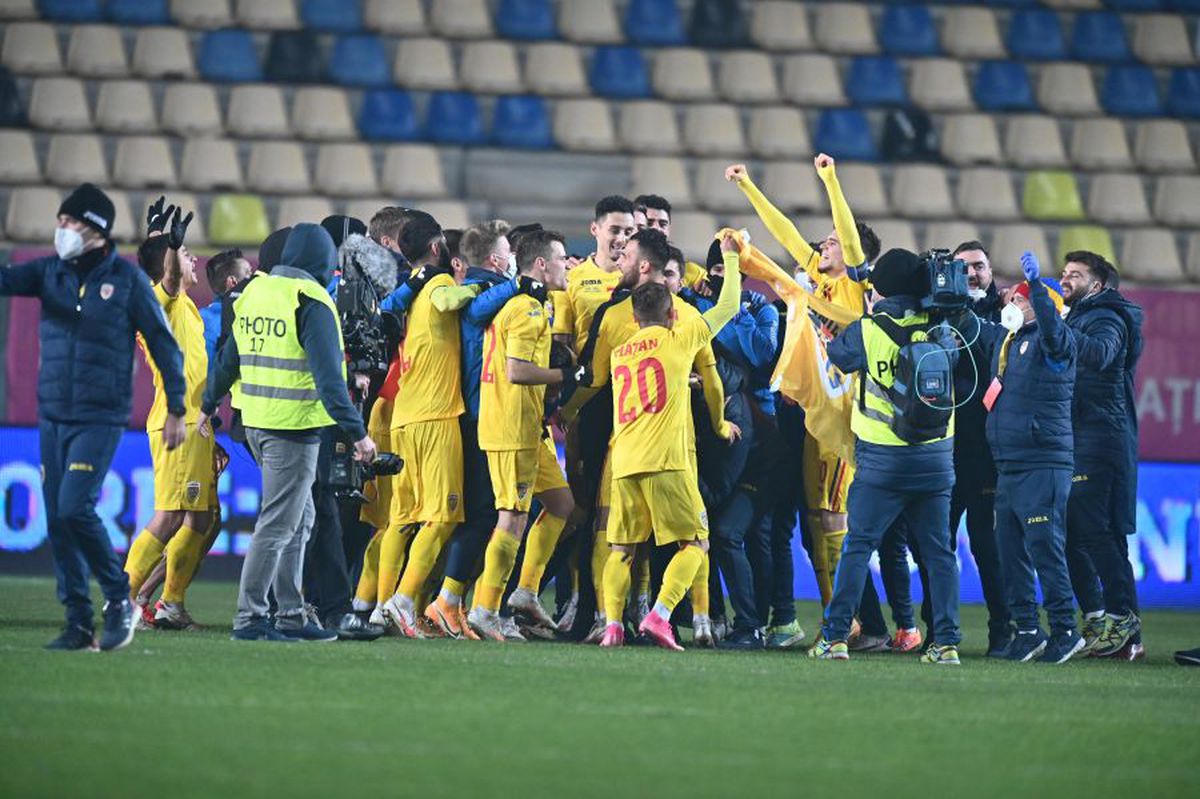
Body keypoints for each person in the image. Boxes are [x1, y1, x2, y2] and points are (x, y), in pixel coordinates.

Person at [0, 183, 186, 651]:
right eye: (60, 223)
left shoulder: (126, 283)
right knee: (59, 520)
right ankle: (78, 622)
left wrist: (178, 409)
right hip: (53, 413)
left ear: (97, 231)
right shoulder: (49, 273)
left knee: (73, 507)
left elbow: (165, 346)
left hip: (99, 416)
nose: (61, 231)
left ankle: (119, 598)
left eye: (70, 223)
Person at [725, 156, 882, 639]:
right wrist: (748, 185)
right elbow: (787, 233)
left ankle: (854, 622)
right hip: (815, 414)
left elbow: (849, 236)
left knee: (831, 518)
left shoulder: (855, 286)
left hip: (844, 414)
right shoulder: (815, 281)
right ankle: (846, 621)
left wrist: (831, 179)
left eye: (832, 242)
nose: (825, 245)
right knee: (817, 522)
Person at [201, 223, 376, 642]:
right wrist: (358, 435)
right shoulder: (311, 301)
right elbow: (330, 381)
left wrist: (208, 405)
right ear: (322, 261)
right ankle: (250, 617)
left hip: (256, 423)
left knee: (301, 519)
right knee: (279, 524)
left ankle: (291, 615)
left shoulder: (254, 292)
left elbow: (229, 359)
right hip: (292, 426)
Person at [560, 229, 736, 643]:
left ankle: (613, 625)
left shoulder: (621, 351)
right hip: (668, 458)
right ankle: (661, 614)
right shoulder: (681, 337)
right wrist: (730, 257)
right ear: (672, 313)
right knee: (695, 543)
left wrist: (565, 411)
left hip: (623, 461)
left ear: (635, 318)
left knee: (619, 549)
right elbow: (728, 305)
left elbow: (594, 382)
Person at [810, 248, 963, 665]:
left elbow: (837, 358)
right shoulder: (943, 328)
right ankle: (945, 642)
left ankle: (836, 637)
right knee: (938, 553)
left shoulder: (868, 329)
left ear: (880, 288)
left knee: (858, 546)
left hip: (881, 459)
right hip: (936, 459)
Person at [960, 252, 1083, 664]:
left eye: (1021, 299)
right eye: (1012, 299)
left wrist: (1040, 292)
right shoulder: (1010, 344)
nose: (1012, 305)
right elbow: (975, 331)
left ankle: (1067, 630)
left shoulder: (1057, 342)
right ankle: (1028, 630)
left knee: (1045, 548)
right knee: (1009, 550)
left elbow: (1052, 324)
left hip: (1043, 462)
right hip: (1009, 464)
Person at [466, 230, 577, 640]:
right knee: (512, 518)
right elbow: (516, 371)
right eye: (562, 258)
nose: (567, 264)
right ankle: (484, 607)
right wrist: (565, 375)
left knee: (562, 504)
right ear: (542, 265)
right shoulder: (527, 309)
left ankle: (525, 592)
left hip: (529, 428)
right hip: (511, 426)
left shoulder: (527, 306)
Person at [378, 212, 483, 637]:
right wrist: (479, 285)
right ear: (438, 249)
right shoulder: (438, 284)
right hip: (436, 417)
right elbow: (447, 302)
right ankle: (404, 602)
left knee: (402, 518)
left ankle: (381, 605)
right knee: (441, 517)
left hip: (405, 416)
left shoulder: (409, 293)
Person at [123, 205, 221, 631]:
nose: (192, 259)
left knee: (200, 517)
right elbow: (168, 280)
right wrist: (170, 247)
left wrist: (161, 237)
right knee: (169, 516)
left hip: (195, 423)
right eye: (186, 254)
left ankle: (170, 604)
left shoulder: (181, 308)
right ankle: (122, 602)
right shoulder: (164, 299)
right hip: (175, 423)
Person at [914, 241, 1011, 655]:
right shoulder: (933, 311)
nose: (972, 274)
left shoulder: (1007, 315)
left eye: (979, 266)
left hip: (985, 453)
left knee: (989, 547)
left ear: (991, 271)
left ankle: (1003, 631)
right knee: (934, 545)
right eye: (963, 268)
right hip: (942, 450)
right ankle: (937, 630)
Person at [1059, 250, 1144, 660]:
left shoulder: (1107, 317)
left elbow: (1100, 354)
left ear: (1096, 285)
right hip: (1087, 434)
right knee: (1090, 532)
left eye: (1074, 275)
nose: (1065, 279)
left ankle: (1119, 618)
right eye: (1064, 272)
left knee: (1094, 532)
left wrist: (1055, 328)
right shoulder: (1082, 314)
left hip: (1100, 437)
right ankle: (1121, 626)